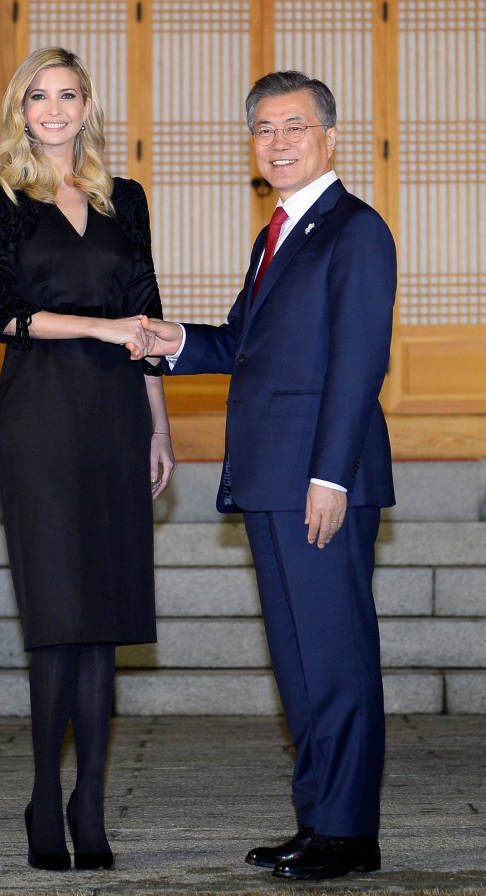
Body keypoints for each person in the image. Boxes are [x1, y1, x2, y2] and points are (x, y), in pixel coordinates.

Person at [140, 71, 396, 882]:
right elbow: (239, 343)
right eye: (262, 129)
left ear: (330, 135)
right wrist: (168, 339)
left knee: (338, 658)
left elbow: (359, 364)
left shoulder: (356, 230)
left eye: (294, 126)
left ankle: (352, 836)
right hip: (268, 479)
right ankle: (318, 822)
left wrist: (333, 476)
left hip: (318, 482)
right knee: (299, 662)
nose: (278, 142)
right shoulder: (277, 234)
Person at [0, 47, 175, 873]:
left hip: (119, 415)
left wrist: (158, 428)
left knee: (105, 618)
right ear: (21, 108)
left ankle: (90, 801)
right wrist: (103, 330)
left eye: (68, 95)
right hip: (41, 415)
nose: (53, 109)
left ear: (88, 105)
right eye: (38, 96)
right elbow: (1, 312)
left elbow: (146, 319)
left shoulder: (126, 200)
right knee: (58, 619)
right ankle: (43, 803)